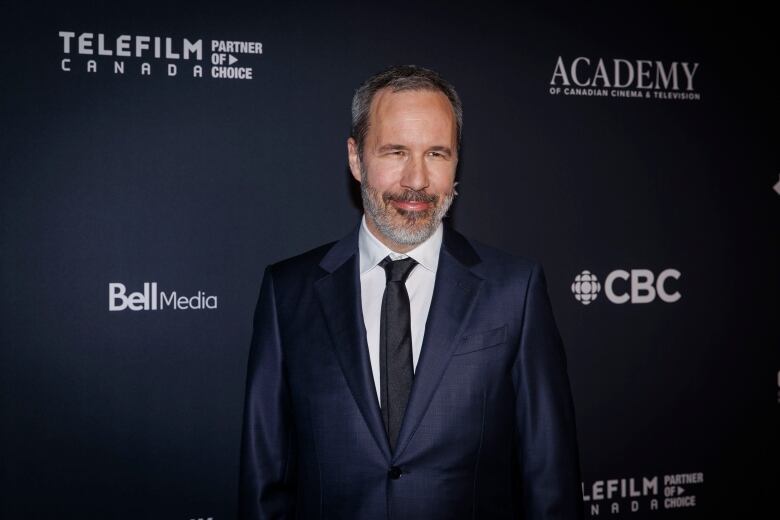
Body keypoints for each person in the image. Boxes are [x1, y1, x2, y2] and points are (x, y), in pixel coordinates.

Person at [238, 65, 584, 519]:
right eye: (396, 151)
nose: (417, 180)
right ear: (356, 159)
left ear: (457, 161)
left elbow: (550, 477)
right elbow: (265, 481)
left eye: (437, 153)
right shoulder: (288, 292)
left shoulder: (514, 290)